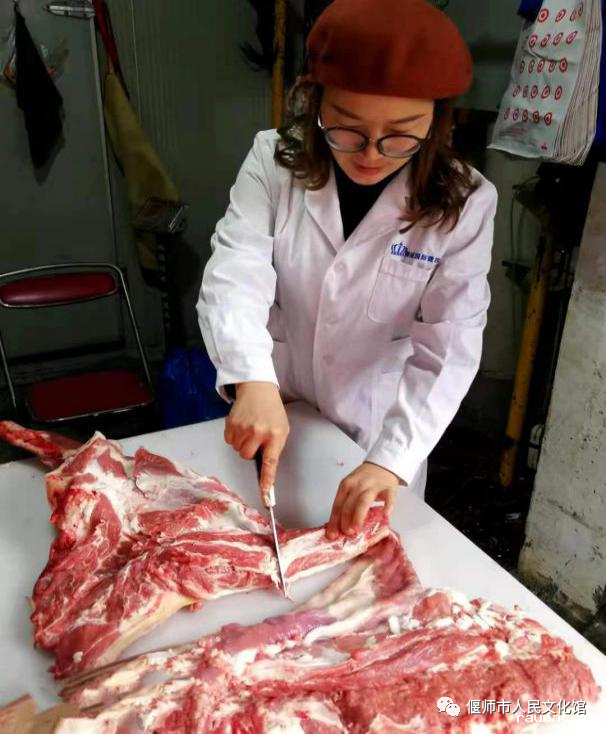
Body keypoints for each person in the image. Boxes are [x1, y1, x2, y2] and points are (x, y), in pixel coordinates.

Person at [197, 0, 497, 541]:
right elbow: (235, 271)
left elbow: (450, 345)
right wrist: (251, 377)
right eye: (348, 129)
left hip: (378, 434)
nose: (371, 155)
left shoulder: (466, 202)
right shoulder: (273, 160)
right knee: (254, 546)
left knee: (368, 569)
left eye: (401, 134)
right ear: (315, 104)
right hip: (279, 408)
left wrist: (391, 460)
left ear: (438, 121)